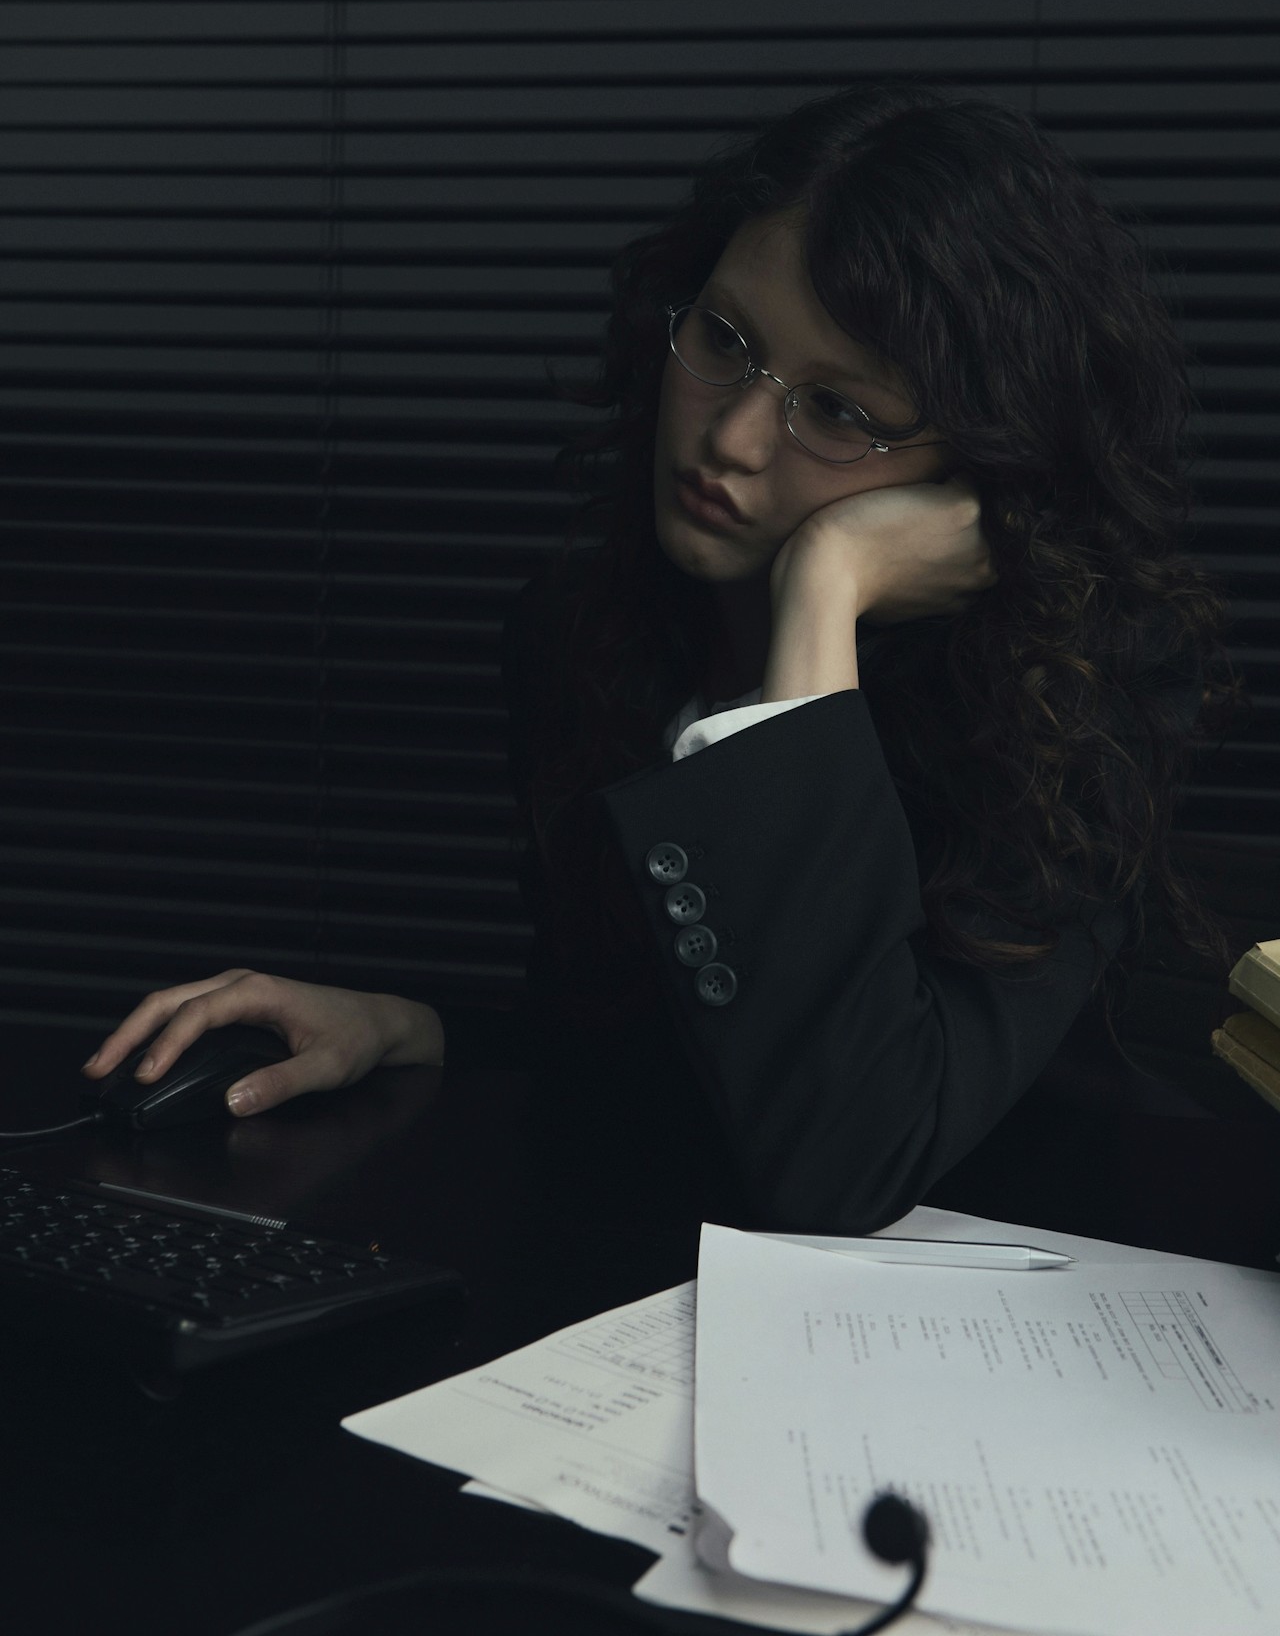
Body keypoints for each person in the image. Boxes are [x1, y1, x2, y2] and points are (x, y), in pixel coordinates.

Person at [79, 82, 1243, 1234]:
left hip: (1026, 1301)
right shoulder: (583, 628)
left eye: (837, 412)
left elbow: (846, 1151)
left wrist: (824, 584)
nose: (730, 436)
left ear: (973, 468)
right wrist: (405, 1027)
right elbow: (659, 1047)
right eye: (726, 340)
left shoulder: (1082, 686)